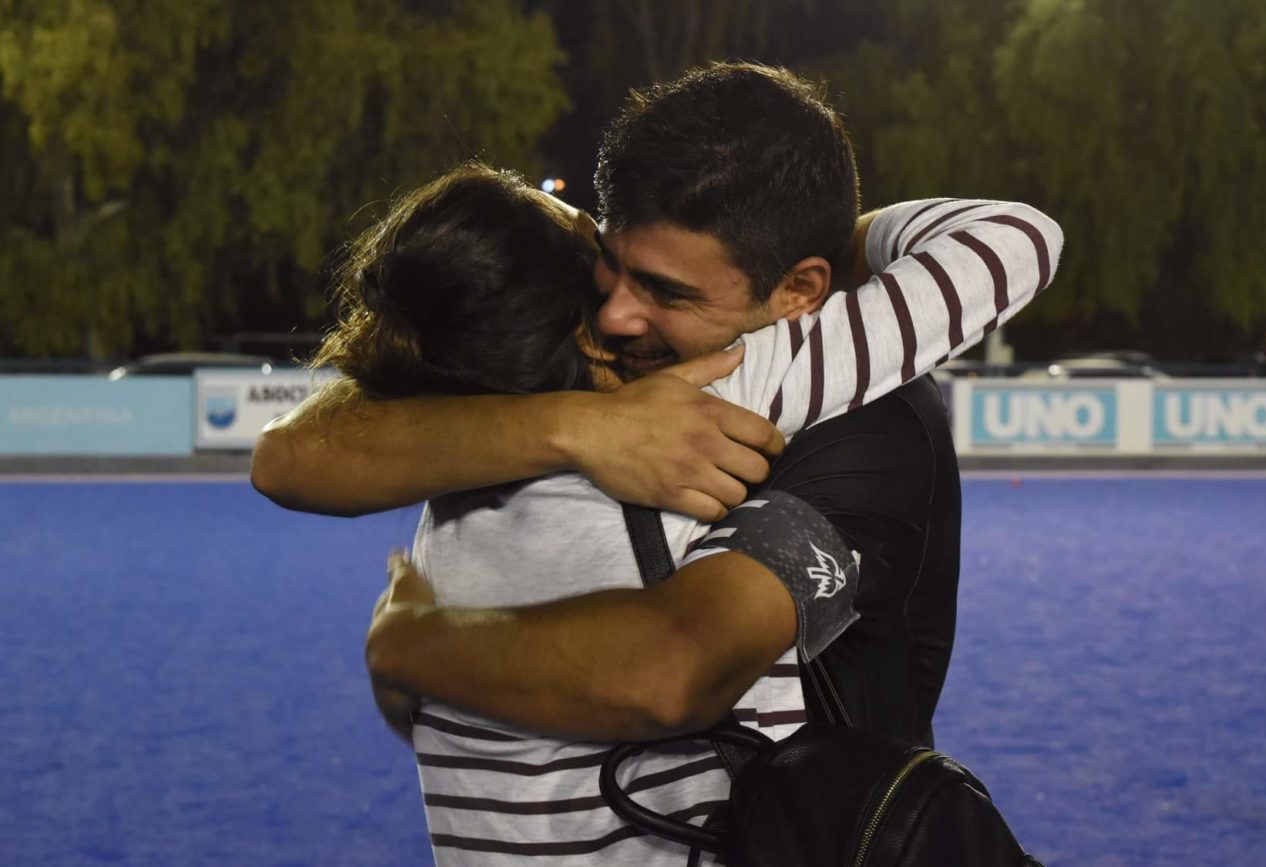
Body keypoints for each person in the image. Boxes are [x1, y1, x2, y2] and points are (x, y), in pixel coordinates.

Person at [254, 63, 1063, 864]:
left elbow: (668, 669)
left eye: (667, 291)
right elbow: (289, 456)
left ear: (797, 290)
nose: (615, 312)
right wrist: (578, 427)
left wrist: (411, 646)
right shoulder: (645, 389)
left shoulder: (854, 415)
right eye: (605, 263)